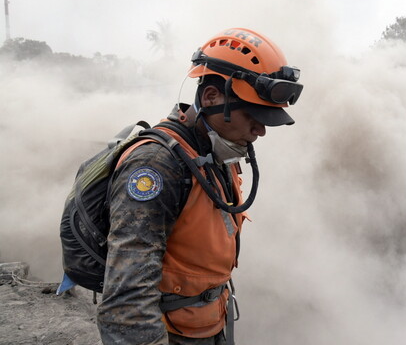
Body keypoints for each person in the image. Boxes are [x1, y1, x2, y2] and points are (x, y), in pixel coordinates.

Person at [96, 28, 303, 344]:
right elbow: (126, 302)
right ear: (211, 97)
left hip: (210, 323)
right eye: (253, 115)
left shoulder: (213, 153)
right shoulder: (156, 165)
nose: (261, 130)